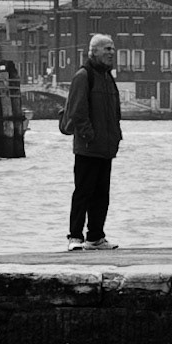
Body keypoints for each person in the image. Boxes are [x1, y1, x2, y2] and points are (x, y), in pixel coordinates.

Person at [64, 34, 123, 251]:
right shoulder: (84, 76)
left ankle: (96, 236)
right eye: (107, 49)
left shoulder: (108, 77)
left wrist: (116, 136)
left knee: (101, 195)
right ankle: (75, 237)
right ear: (94, 51)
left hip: (106, 148)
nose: (111, 52)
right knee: (83, 192)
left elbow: (114, 112)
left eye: (112, 49)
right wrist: (89, 136)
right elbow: (78, 111)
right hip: (88, 148)